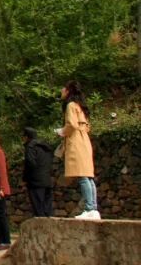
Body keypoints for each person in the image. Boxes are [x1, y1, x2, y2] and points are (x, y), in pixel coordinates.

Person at [58, 81, 100, 220]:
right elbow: (86, 126)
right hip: (85, 140)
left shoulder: (70, 105)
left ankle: (89, 208)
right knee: (88, 176)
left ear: (68, 90)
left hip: (76, 141)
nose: (61, 90)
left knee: (82, 176)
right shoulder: (81, 106)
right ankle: (93, 208)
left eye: (63, 88)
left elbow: (71, 125)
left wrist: (61, 132)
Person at [22, 126, 54, 217]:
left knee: (38, 210)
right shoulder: (45, 147)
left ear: (27, 137)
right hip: (47, 180)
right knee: (47, 210)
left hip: (35, 182)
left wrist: (25, 179)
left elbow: (30, 164)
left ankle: (41, 230)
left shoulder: (30, 147)